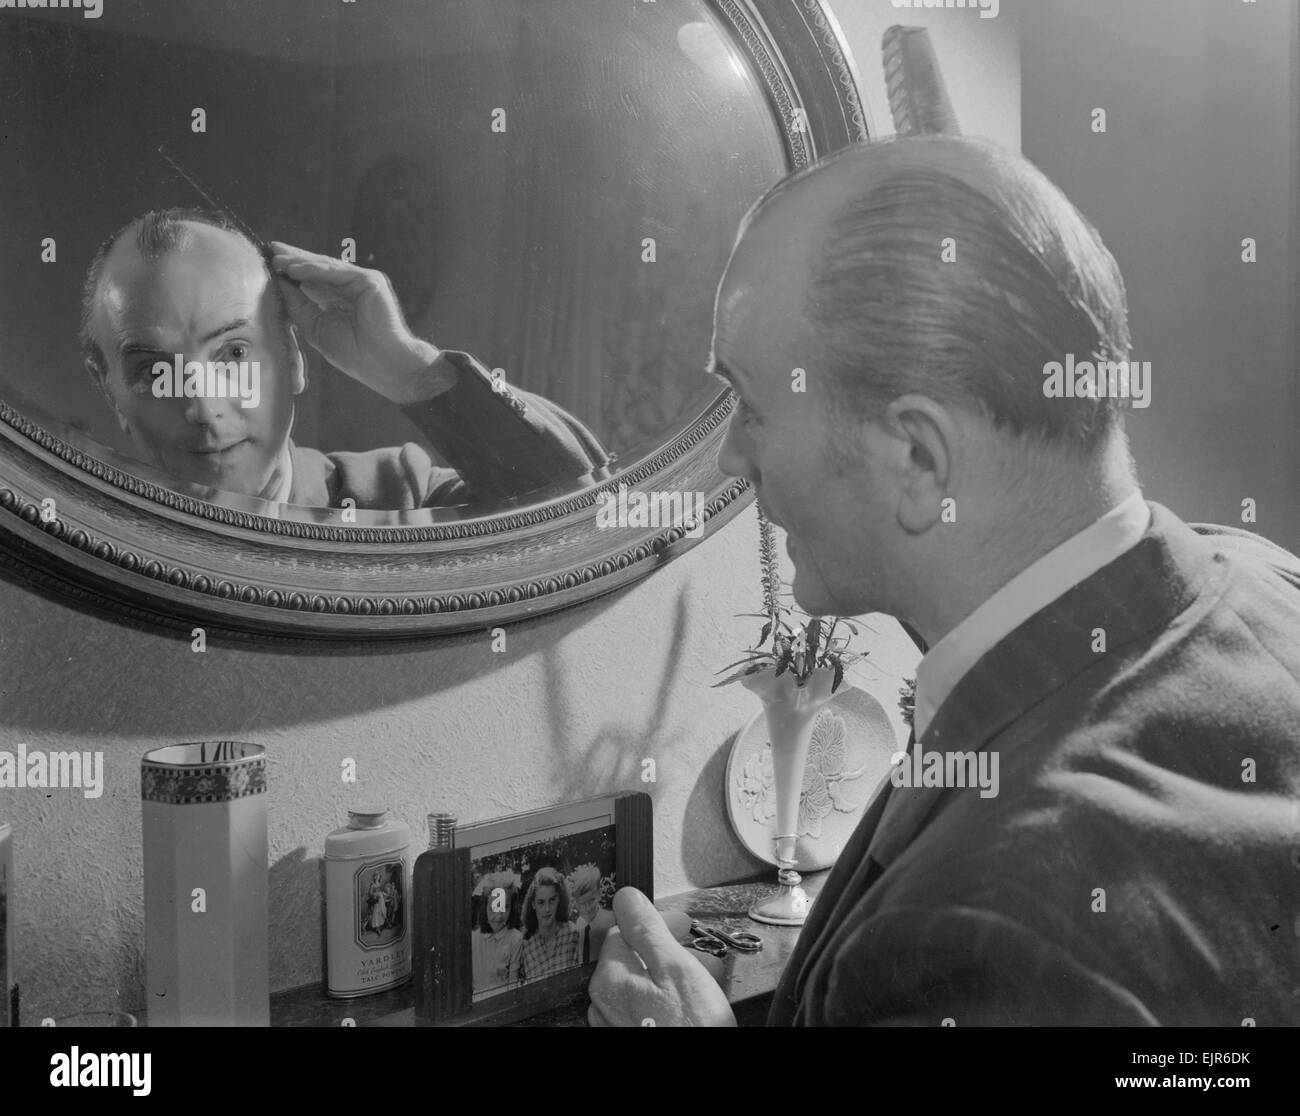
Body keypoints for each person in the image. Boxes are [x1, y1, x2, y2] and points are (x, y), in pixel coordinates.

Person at [588, 135, 1300, 1027]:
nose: (734, 453)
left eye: (754, 406)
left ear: (918, 458)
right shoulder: (1264, 580)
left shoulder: (975, 937)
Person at [79, 209, 614, 509]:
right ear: (113, 396)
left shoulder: (404, 493)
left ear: (291, 358)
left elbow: (584, 516)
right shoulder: (82, 542)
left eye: (234, 353)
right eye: (155, 371)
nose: (202, 405)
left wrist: (415, 373)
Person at [518, 867, 581, 984]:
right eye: (541, 902)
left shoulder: (572, 933)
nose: (547, 909)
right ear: (533, 904)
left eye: (552, 900)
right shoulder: (525, 945)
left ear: (559, 900)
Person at [471, 871, 524, 994]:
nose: (499, 916)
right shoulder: (473, 939)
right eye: (494, 907)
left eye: (505, 907)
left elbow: (513, 983)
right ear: (485, 907)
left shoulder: (515, 938)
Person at [568, 864, 616, 963]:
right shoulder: (580, 923)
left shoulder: (611, 920)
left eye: (592, 900)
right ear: (576, 903)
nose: (588, 907)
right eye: (583, 903)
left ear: (599, 893)